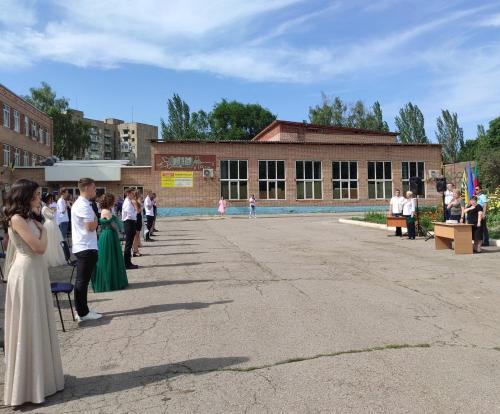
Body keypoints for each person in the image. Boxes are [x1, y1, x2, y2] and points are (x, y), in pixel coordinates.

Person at [3, 179, 64, 406]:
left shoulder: (29, 217)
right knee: (28, 325)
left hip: (35, 272)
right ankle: (27, 386)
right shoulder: (17, 219)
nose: (40, 198)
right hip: (26, 273)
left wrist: (41, 228)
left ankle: (43, 380)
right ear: (26, 196)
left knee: (39, 323)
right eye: (37, 194)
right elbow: (39, 248)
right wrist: (44, 231)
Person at [71, 178, 101, 322]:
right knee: (82, 282)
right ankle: (82, 313)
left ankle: (82, 310)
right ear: (87, 188)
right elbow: (90, 227)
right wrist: (97, 221)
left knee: (82, 281)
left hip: (85, 245)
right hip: (86, 247)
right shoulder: (83, 205)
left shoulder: (84, 203)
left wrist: (95, 220)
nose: (95, 190)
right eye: (94, 188)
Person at [91, 193, 128, 292]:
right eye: (113, 200)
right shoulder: (107, 212)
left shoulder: (105, 210)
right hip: (109, 236)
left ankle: (111, 281)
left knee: (109, 257)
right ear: (110, 202)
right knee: (109, 258)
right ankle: (110, 282)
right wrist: (119, 230)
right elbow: (113, 225)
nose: (115, 202)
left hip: (108, 235)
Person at [41, 193, 66, 267]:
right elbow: (51, 216)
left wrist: (53, 210)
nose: (51, 200)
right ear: (46, 199)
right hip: (49, 225)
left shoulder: (48, 207)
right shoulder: (44, 208)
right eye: (50, 198)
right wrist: (54, 210)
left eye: (51, 198)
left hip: (53, 224)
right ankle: (51, 258)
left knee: (55, 240)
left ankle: (57, 256)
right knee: (50, 241)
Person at [121, 188, 138, 269]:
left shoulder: (129, 201)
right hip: (128, 223)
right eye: (132, 193)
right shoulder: (127, 203)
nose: (134, 195)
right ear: (128, 194)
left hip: (131, 222)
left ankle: (128, 262)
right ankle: (127, 263)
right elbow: (131, 215)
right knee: (128, 244)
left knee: (130, 244)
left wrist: (135, 212)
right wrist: (136, 212)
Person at [132, 190, 143, 255]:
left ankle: (137, 246)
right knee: (136, 235)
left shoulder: (137, 201)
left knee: (138, 233)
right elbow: (138, 211)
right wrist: (141, 205)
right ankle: (135, 250)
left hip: (138, 217)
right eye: (140, 194)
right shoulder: (134, 201)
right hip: (136, 217)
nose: (141, 195)